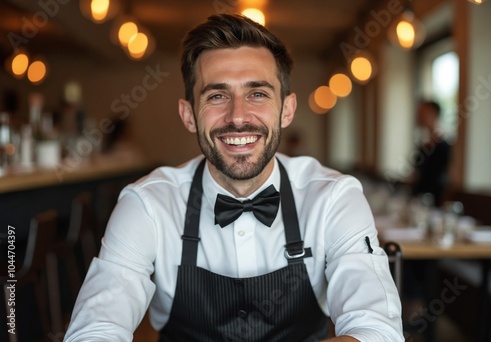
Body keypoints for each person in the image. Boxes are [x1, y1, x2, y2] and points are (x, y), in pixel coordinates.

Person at [64, 14, 403, 341]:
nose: (238, 117)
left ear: (286, 109)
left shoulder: (334, 198)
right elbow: (95, 329)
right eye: (217, 95)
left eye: (257, 93)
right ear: (189, 115)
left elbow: (378, 332)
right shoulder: (148, 204)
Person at [412, 100, 452, 206]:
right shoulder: (425, 144)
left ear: (433, 114)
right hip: (421, 197)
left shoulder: (443, 145)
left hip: (435, 199)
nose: (419, 116)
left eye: (422, 112)